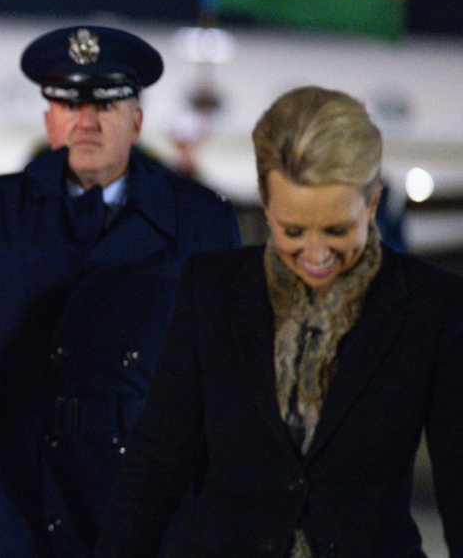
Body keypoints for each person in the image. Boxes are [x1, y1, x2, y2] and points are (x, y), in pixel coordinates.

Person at [0, 26, 241, 558]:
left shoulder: (200, 221)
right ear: (48, 118)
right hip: (12, 516)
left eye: (105, 104)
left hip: (148, 519)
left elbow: (225, 403)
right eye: (68, 103)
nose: (86, 122)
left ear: (138, 120)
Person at [95, 87, 463, 558]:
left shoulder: (433, 307)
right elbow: (158, 459)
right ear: (267, 207)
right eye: (292, 231)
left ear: (372, 204)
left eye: (337, 230)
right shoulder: (210, 289)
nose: (315, 253)